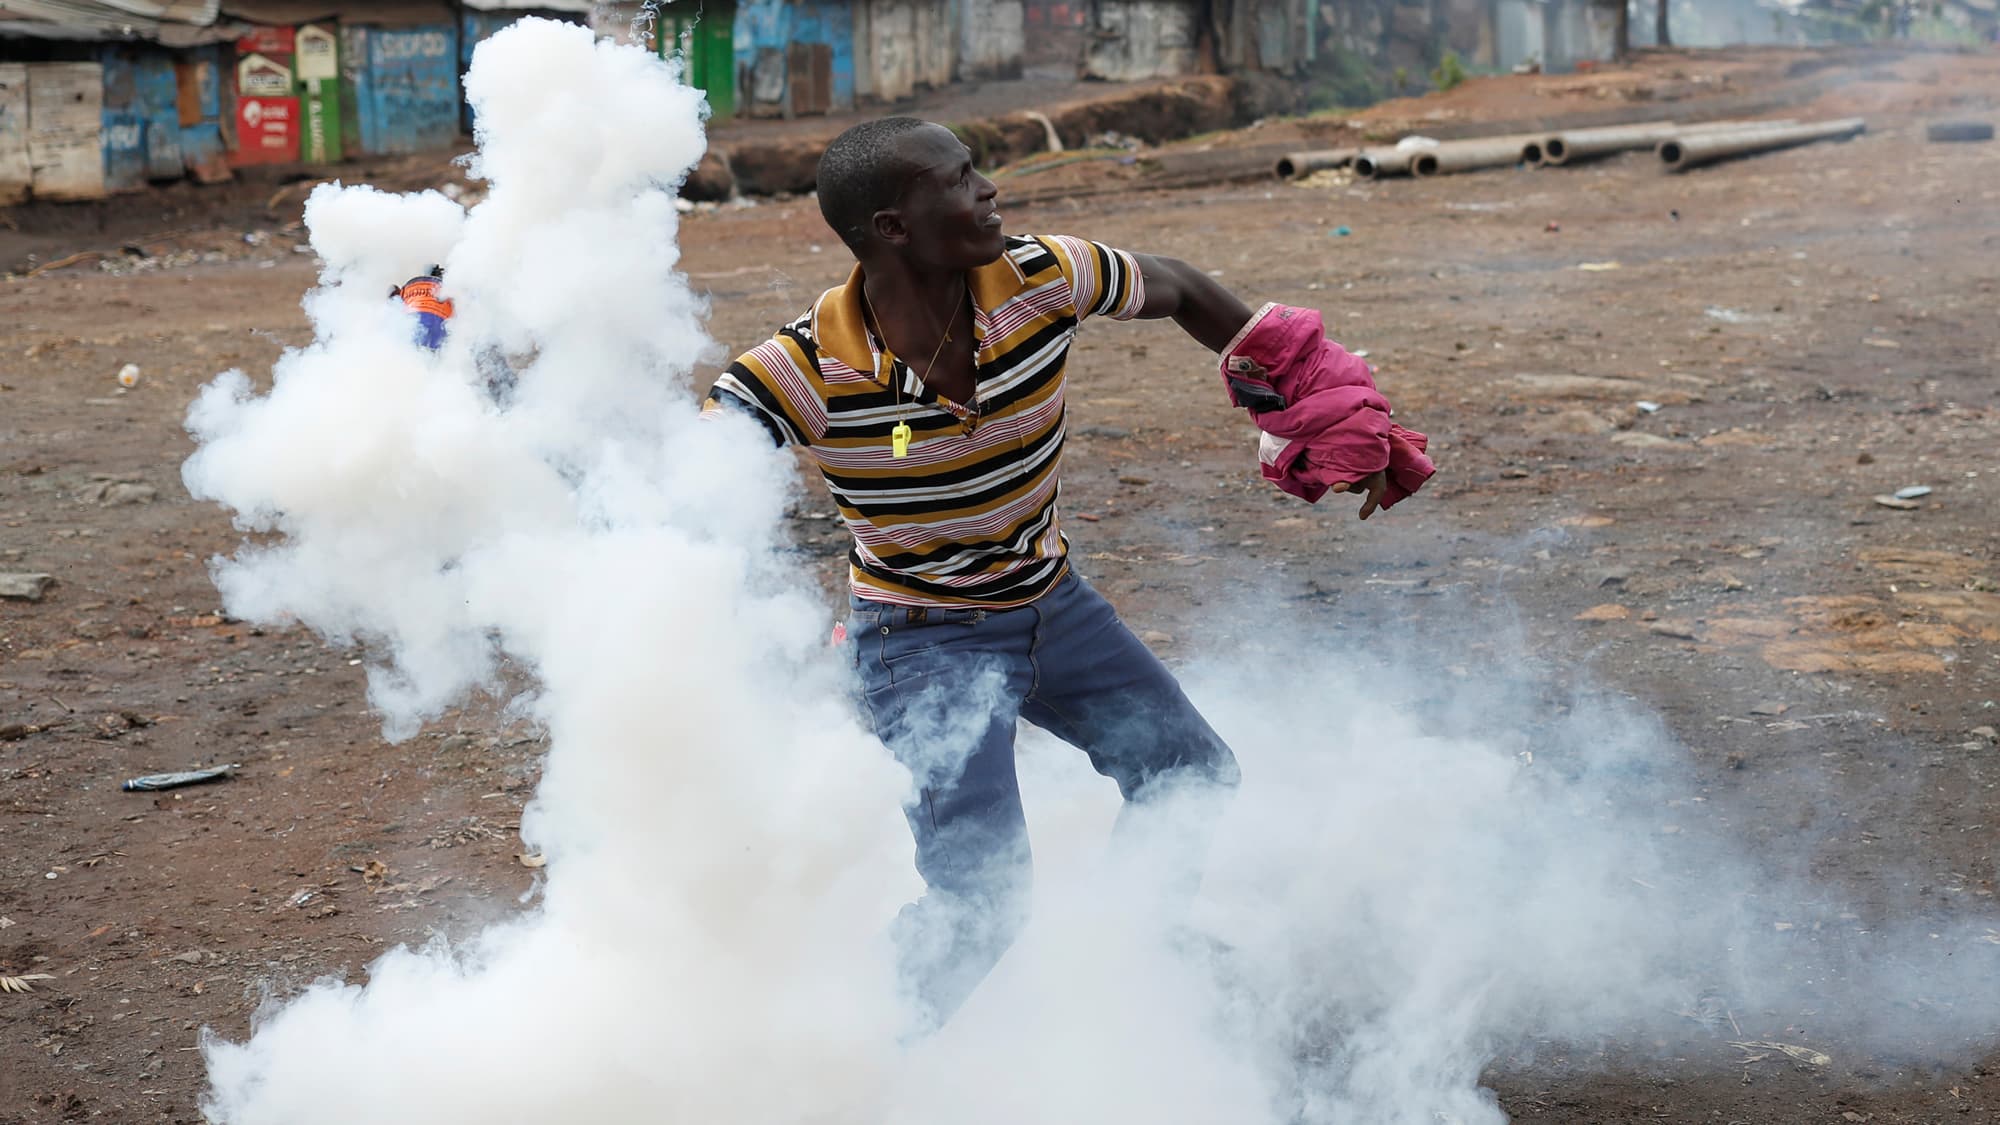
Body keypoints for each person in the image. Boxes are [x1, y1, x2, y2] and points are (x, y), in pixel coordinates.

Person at [702, 117, 1389, 1031]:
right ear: (893, 226)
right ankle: (845, 1066)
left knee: (1186, 769)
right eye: (959, 180)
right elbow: (685, 469)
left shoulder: (1040, 277)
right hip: (921, 642)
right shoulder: (803, 367)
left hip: (1052, 607)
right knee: (982, 903)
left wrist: (1316, 396)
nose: (989, 190)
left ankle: (1129, 959)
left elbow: (1179, 285)